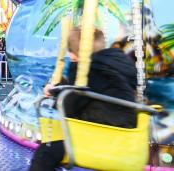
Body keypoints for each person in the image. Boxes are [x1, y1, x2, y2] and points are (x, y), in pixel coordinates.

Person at [29, 28, 137, 171]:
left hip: (102, 135)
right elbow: (88, 90)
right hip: (125, 135)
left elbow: (68, 108)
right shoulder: (116, 62)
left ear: (74, 55)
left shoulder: (86, 70)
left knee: (46, 151)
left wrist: (56, 90)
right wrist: (64, 85)